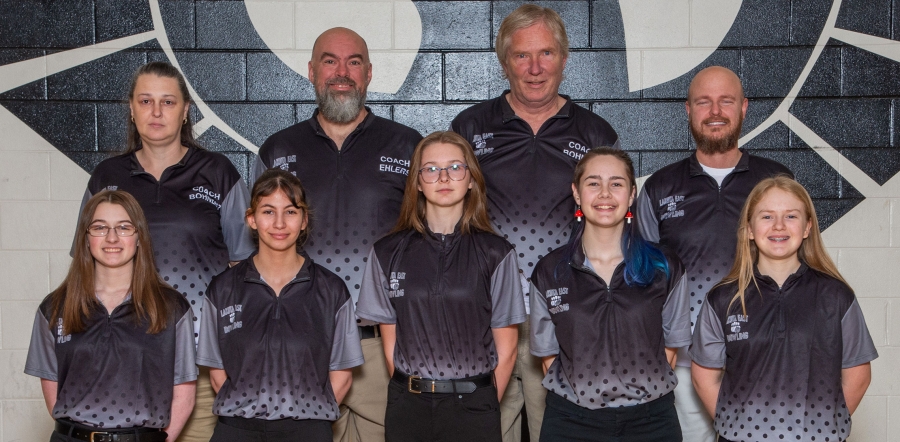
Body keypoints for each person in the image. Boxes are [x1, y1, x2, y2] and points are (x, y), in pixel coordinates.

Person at [450, 6, 620, 440]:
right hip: (485, 314)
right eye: (522, 55)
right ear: (504, 62)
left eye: (546, 53)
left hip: (567, 315)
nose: (535, 68)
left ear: (564, 58)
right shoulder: (469, 127)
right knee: (482, 429)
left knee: (563, 432)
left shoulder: (596, 133)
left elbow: (616, 224)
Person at [251, 27, 422, 442]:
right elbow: (249, 259)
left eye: (353, 62)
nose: (341, 73)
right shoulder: (277, 150)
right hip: (301, 342)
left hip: (381, 345)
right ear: (312, 71)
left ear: (369, 73)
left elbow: (431, 246)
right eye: (330, 61)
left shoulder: (407, 146)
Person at [78, 61, 255, 442]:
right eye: (146, 101)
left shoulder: (218, 172)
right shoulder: (107, 177)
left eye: (168, 102)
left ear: (185, 110)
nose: (156, 112)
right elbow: (85, 273)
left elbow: (244, 271)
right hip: (126, 357)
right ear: (131, 109)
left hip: (202, 358)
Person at [634, 65, 792, 441]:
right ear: (688, 110)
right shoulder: (660, 186)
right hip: (685, 362)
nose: (716, 111)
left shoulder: (776, 181)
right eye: (704, 102)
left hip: (763, 355)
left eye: (726, 101)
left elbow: (800, 271)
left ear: (744, 108)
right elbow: (642, 281)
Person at [355, 131, 526, 442]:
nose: (444, 177)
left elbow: (508, 347)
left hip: (474, 405)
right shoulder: (386, 252)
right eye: (431, 169)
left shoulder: (497, 253)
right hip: (409, 406)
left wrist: (483, 405)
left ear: (471, 179)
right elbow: (391, 344)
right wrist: (412, 392)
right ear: (418, 182)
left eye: (455, 167)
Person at [690, 176, 877, 442]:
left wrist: (822, 428)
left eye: (791, 216)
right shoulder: (722, 298)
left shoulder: (836, 296)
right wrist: (739, 428)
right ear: (749, 229)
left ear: (807, 227)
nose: (779, 225)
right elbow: (704, 379)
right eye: (767, 216)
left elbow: (858, 377)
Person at [530, 148, 690, 441]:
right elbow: (548, 356)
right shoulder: (550, 270)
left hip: (651, 423)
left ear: (631, 195)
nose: (605, 193)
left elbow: (670, 350)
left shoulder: (664, 265)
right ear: (577, 193)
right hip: (570, 423)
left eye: (616, 183)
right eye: (593, 183)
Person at [196, 169, 364, 441]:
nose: (279, 223)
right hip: (238, 430)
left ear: (304, 220)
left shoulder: (331, 290)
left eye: (290, 212)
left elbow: (342, 375)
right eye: (268, 211)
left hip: (307, 431)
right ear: (251, 219)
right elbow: (217, 374)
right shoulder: (222, 288)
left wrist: (305, 421)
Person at [26, 190, 197, 442]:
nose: (112, 237)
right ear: (85, 238)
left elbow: (184, 394)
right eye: (100, 228)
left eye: (124, 227)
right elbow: (53, 392)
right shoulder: (55, 307)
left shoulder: (172, 307)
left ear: (139, 237)